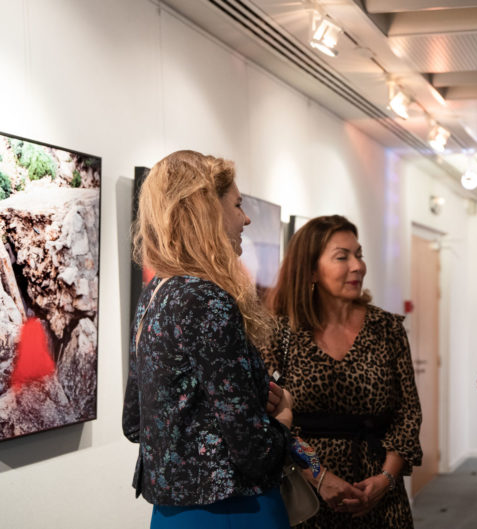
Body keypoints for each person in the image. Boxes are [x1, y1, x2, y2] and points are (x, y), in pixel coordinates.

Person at [122, 150, 304, 528]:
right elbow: (254, 451)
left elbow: (134, 424)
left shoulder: (157, 292)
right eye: (237, 205)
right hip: (233, 511)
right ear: (205, 211)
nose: (246, 218)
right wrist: (283, 417)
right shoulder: (207, 300)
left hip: (172, 515)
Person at [263, 215, 422, 529]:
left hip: (379, 496)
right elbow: (267, 418)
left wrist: (386, 479)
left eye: (359, 254)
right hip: (306, 495)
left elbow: (408, 411)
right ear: (310, 270)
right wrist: (320, 478)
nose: (358, 266)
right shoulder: (280, 332)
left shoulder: (387, 328)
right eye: (342, 257)